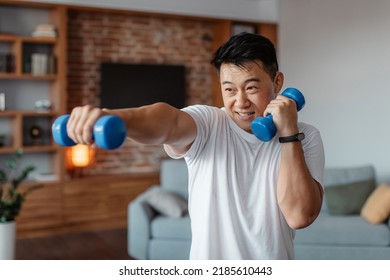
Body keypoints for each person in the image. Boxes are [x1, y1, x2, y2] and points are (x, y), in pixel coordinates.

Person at [66, 32, 325, 260]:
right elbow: (167, 121)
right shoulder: (210, 122)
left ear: (277, 83)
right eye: (230, 90)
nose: (241, 102)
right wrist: (112, 117)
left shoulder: (306, 136)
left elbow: (299, 216)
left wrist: (288, 133)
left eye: (252, 87)